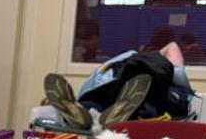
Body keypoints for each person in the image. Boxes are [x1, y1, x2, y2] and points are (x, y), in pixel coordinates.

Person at [44, 40, 194, 130]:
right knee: (139, 104)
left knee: (94, 104)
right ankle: (124, 114)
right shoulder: (169, 69)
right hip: (144, 97)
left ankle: (84, 110)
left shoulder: (125, 59)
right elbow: (173, 46)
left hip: (109, 89)